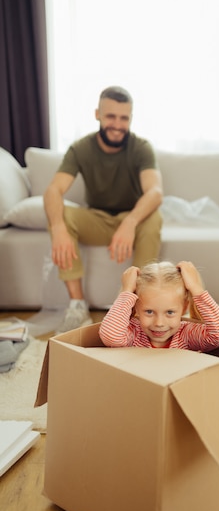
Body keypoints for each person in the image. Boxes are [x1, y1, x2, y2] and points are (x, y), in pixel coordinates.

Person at [43, 85, 163, 334]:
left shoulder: (141, 147)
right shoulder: (80, 148)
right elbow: (53, 190)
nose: (117, 125)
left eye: (124, 118)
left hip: (132, 219)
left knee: (154, 218)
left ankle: (134, 307)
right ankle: (77, 306)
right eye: (111, 116)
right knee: (60, 214)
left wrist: (129, 223)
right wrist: (58, 227)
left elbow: (155, 192)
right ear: (97, 114)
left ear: (130, 118)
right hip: (97, 219)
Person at [99, 260, 219, 351]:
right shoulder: (133, 333)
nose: (159, 323)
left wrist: (195, 288)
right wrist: (127, 290)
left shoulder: (186, 334)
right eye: (149, 312)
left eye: (169, 312)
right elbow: (110, 337)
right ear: (136, 307)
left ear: (184, 308)